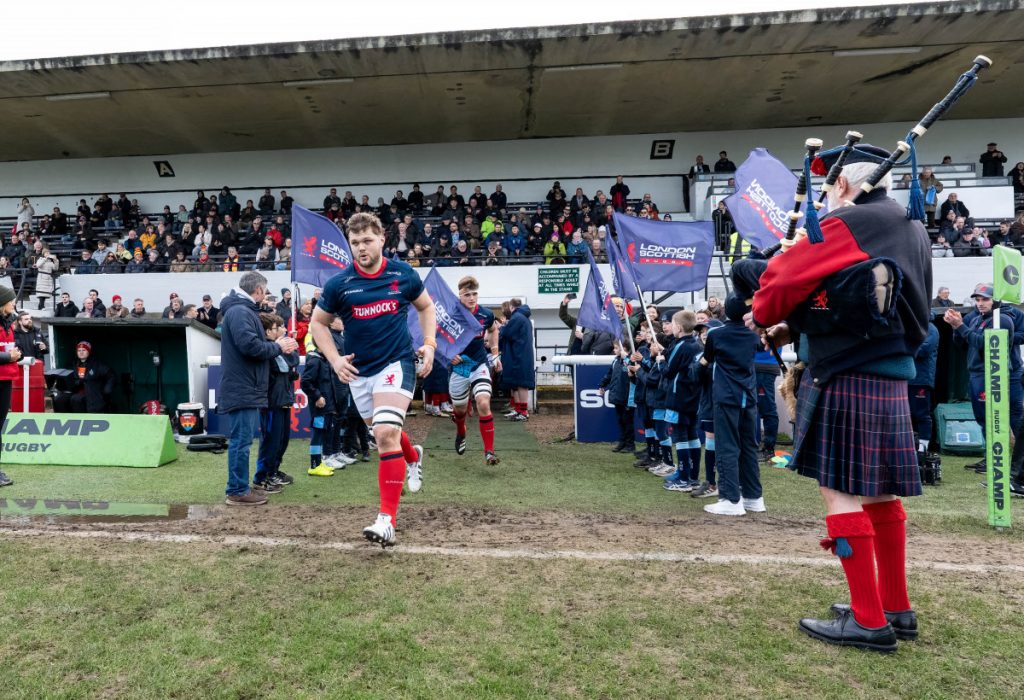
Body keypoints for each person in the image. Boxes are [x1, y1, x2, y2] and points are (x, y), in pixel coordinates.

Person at [749, 144, 930, 653]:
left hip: (846, 374)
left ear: (844, 184)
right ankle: (895, 608)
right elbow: (863, 300)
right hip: (887, 373)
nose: (824, 198)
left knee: (840, 492)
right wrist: (797, 328)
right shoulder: (910, 225)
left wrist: (778, 283)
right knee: (880, 493)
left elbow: (772, 293)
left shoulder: (848, 222)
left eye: (827, 187)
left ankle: (869, 621)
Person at [308, 212, 436, 547]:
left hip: (397, 363)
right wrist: (335, 359)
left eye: (367, 240)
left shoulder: (402, 274)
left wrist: (430, 343)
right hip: (359, 373)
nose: (361, 248)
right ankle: (413, 456)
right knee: (383, 434)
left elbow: (426, 307)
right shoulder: (340, 284)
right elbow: (318, 323)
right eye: (355, 243)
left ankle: (386, 521)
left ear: (382, 239)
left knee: (384, 433)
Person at [219, 271, 300, 507]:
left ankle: (240, 487)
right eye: (265, 291)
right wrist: (277, 346)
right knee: (241, 443)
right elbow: (250, 347)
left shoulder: (242, 311)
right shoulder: (240, 311)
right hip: (243, 388)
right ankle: (237, 490)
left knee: (243, 442)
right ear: (258, 290)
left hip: (246, 387)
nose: (265, 296)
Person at [945, 283, 1023, 458]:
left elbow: (986, 345)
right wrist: (955, 327)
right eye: (978, 300)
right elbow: (962, 345)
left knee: (1007, 417)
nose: (980, 303)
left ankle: (1014, 461)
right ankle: (993, 458)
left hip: (995, 374)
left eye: (985, 299)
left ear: (995, 300)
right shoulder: (976, 319)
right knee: (984, 419)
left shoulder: (1003, 319)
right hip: (977, 374)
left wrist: (961, 326)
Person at [701, 294, 762, 514]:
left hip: (727, 396)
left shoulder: (716, 334)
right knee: (748, 446)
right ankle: (754, 497)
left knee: (727, 446)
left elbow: (706, 359)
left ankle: (730, 499)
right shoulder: (753, 335)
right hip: (748, 396)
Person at [449, 277, 503, 465]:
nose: (472, 298)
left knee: (483, 403)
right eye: (467, 295)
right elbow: (436, 337)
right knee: (460, 410)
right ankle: (461, 430)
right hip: (459, 368)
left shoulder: (486, 314)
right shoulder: (451, 314)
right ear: (460, 296)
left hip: (479, 364)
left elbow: (493, 330)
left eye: (474, 294)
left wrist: (495, 354)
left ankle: (489, 452)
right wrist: (448, 354)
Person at [500, 298, 535, 421]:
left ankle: (523, 412)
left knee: (521, 383)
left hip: (520, 355)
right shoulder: (523, 317)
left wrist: (502, 327)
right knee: (517, 383)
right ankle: (519, 410)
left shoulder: (517, 317)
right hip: (520, 353)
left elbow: (506, 333)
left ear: (511, 307)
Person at [0, 287, 21, 486]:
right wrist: (8, 356)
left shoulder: (9, 323)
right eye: (11, 300)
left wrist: (15, 354)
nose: (13, 303)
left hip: (5, 378)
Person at [66, 341, 115, 413]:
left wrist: (107, 391)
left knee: (77, 399)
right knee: (63, 399)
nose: (81, 352)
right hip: (78, 393)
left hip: (94, 395)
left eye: (84, 350)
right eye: (79, 350)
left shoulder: (97, 364)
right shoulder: (74, 364)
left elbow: (111, 375)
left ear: (89, 351)